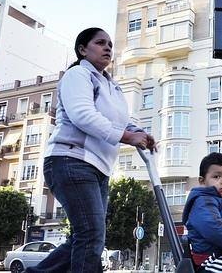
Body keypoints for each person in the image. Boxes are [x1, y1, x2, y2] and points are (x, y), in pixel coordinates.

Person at [26, 27, 155, 273]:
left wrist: (141, 134)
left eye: (109, 44)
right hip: (71, 159)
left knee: (84, 236)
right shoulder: (78, 75)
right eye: (100, 42)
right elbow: (83, 115)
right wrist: (128, 137)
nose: (108, 47)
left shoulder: (112, 86)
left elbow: (121, 121)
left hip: (98, 167)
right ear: (83, 49)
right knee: (91, 233)